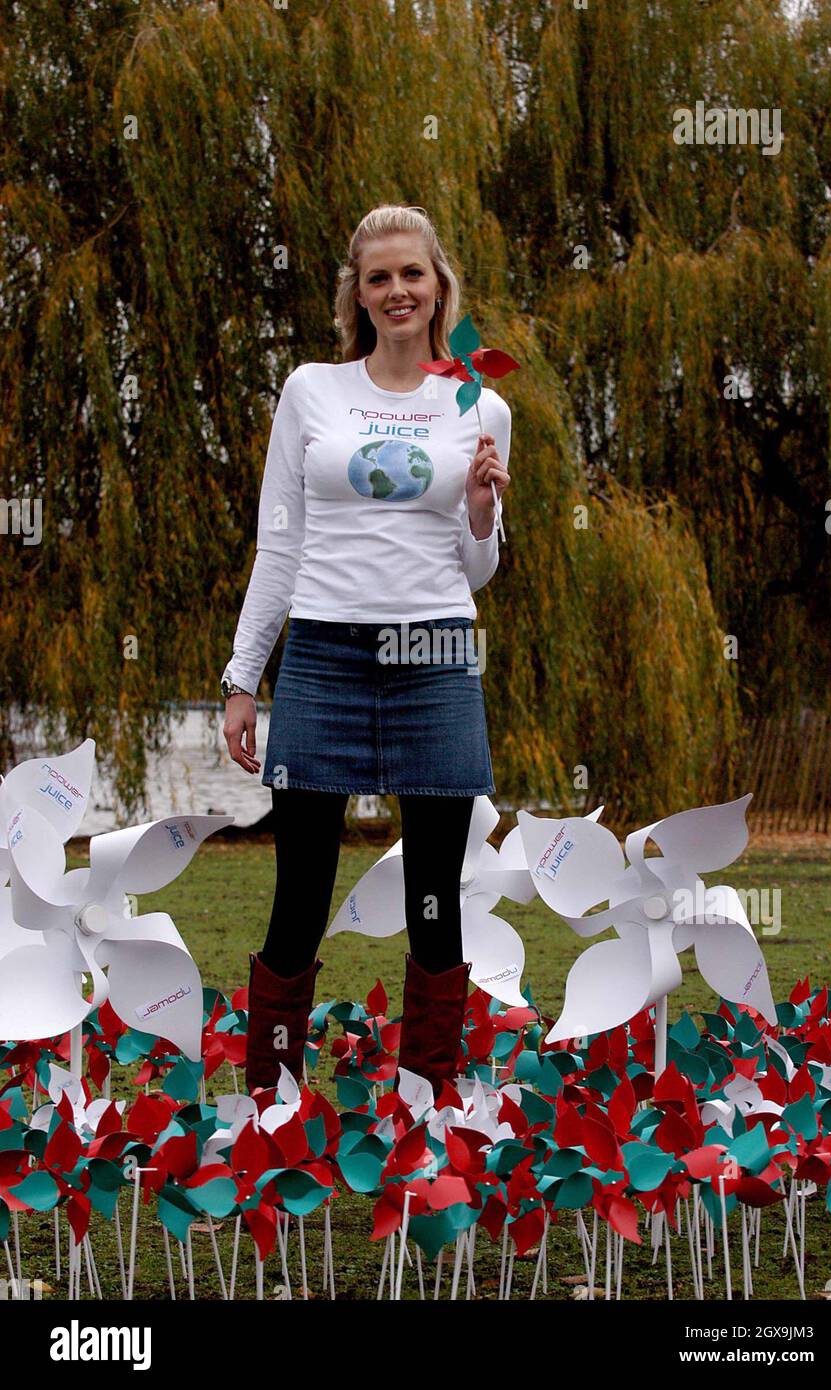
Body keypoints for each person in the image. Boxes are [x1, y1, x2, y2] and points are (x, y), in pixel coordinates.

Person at [221, 203, 511, 1103]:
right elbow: (281, 541)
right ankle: (269, 1102)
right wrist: (242, 676)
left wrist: (480, 510)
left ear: (439, 287)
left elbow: (479, 569)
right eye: (378, 277)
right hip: (325, 654)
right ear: (358, 291)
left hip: (434, 653)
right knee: (301, 884)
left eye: (412, 275)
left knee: (436, 891)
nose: (397, 292)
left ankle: (429, 1109)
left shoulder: (478, 402)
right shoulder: (311, 389)